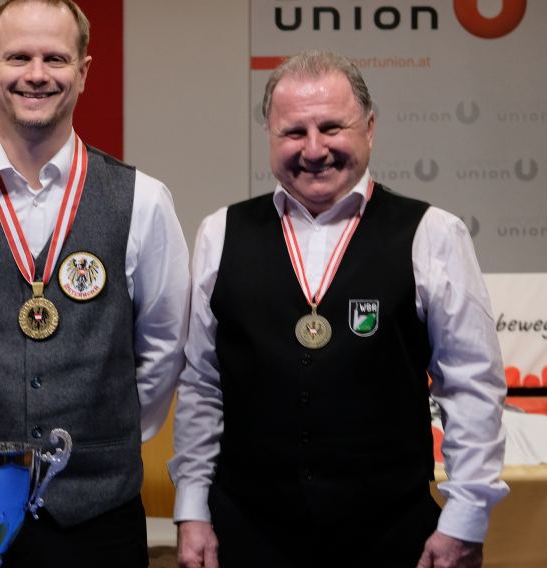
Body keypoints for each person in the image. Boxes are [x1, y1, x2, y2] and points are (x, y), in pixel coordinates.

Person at [171, 50, 508, 568]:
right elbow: (202, 385)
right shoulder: (220, 233)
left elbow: (471, 386)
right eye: (293, 132)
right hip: (248, 536)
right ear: (270, 136)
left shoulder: (434, 234)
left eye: (332, 127)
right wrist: (192, 509)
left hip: (394, 539)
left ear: (369, 127)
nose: (314, 149)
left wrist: (466, 517)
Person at [0, 0, 189, 566]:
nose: (36, 74)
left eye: (55, 58)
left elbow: (163, 350)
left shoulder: (144, 201)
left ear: (84, 71)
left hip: (99, 517)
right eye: (18, 57)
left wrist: (102, 434)